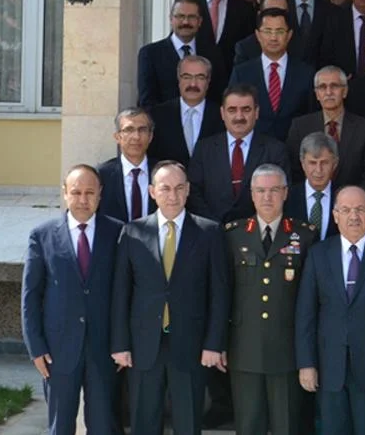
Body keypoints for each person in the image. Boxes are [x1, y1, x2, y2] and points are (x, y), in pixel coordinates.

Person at [110, 161, 230, 435]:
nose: (172, 196)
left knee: (188, 422)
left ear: (188, 190)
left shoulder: (209, 232)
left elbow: (219, 294)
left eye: (179, 188)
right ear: (152, 192)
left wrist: (214, 343)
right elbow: (121, 294)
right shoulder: (133, 232)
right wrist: (120, 344)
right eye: (165, 189)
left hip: (191, 345)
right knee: (144, 421)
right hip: (144, 346)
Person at [295, 186, 365, 435]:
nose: (353, 216)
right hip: (329, 368)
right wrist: (306, 363)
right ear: (335, 215)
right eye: (345, 210)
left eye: (359, 210)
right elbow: (306, 314)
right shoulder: (318, 254)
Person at [21, 164, 124, 435]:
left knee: (104, 425)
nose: (82, 199)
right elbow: (31, 296)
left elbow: (124, 292)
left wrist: (122, 343)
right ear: (64, 193)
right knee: (60, 425)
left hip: (104, 348)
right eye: (76, 192)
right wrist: (36, 348)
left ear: (100, 194)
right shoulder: (42, 236)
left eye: (90, 192)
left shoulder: (118, 233)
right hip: (58, 350)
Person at [224, 163, 318, 435]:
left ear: (286, 193)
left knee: (286, 426)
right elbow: (223, 292)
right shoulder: (233, 234)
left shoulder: (305, 234)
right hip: (245, 348)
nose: (267, 197)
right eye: (261, 191)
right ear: (251, 194)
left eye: (274, 190)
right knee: (248, 425)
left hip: (287, 349)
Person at [187, 84, 291, 223]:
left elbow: (281, 193)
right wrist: (213, 226)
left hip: (257, 235)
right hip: (213, 234)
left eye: (246, 110)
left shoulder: (275, 150)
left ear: (257, 112)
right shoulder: (204, 148)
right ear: (223, 113)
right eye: (232, 110)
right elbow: (194, 192)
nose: (239, 116)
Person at [286, 66, 365, 196]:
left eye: (334, 86)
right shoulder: (300, 127)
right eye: (322, 87)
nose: (329, 92)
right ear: (317, 94)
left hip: (352, 206)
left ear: (345, 91)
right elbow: (294, 170)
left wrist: (351, 199)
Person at [229, 8, 315, 141]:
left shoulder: (306, 73)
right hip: (254, 149)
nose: (274, 37)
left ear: (289, 35)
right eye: (267, 31)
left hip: (294, 148)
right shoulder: (242, 73)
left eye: (280, 31)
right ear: (258, 35)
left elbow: (311, 115)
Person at [137, 0, 223, 109]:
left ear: (200, 21)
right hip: (164, 124)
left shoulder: (213, 53)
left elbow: (219, 95)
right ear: (171, 19)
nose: (186, 22)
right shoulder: (150, 54)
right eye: (180, 16)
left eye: (191, 17)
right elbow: (147, 101)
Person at [191, 0, 257, 83]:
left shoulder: (245, 8)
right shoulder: (190, 4)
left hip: (233, 81)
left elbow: (251, 47)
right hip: (197, 81)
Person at [148, 55, 225, 167]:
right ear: (178, 79)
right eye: (187, 77)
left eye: (200, 77)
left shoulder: (221, 115)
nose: (193, 84)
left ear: (208, 81)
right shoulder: (157, 115)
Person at [98, 108, 158, 223]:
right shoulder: (101, 175)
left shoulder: (163, 172)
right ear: (117, 137)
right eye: (129, 130)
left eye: (142, 130)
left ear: (150, 137)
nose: (136, 136)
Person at [286, 132, 340, 240]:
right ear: (302, 164)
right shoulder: (287, 197)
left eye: (324, 163)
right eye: (312, 163)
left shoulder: (344, 197)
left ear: (335, 164)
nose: (318, 170)